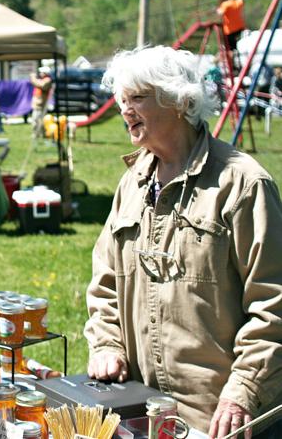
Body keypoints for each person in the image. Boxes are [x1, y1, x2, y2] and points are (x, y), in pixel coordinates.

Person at [85, 46, 282, 439]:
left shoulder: (241, 183)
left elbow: (272, 301)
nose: (125, 110)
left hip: (222, 419)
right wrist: (107, 344)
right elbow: (105, 279)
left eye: (137, 98)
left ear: (181, 101)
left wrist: (242, 392)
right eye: (122, 100)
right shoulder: (134, 182)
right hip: (143, 408)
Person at [30, 66, 53, 139]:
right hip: (37, 104)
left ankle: (40, 134)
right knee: (37, 120)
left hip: (41, 104)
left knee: (38, 120)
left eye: (41, 72)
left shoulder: (48, 80)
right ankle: (40, 134)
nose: (40, 73)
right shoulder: (42, 79)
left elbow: (40, 85)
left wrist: (33, 78)